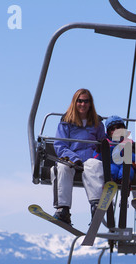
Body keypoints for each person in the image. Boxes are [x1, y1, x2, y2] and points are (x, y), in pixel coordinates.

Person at [51, 88, 106, 225]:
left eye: (86, 101)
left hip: (90, 159)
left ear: (90, 103)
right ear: (75, 103)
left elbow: (103, 144)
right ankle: (62, 209)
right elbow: (60, 145)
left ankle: (96, 207)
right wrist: (73, 158)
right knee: (61, 168)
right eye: (80, 101)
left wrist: (98, 154)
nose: (83, 104)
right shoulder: (66, 122)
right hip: (71, 159)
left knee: (95, 166)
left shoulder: (97, 124)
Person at [93, 115, 135, 183]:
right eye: (112, 129)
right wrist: (99, 150)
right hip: (111, 163)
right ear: (108, 131)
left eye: (118, 127)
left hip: (124, 164)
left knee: (127, 171)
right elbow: (96, 159)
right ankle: (109, 183)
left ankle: (125, 182)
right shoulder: (105, 142)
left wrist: (130, 153)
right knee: (111, 170)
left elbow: (135, 158)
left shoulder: (129, 142)